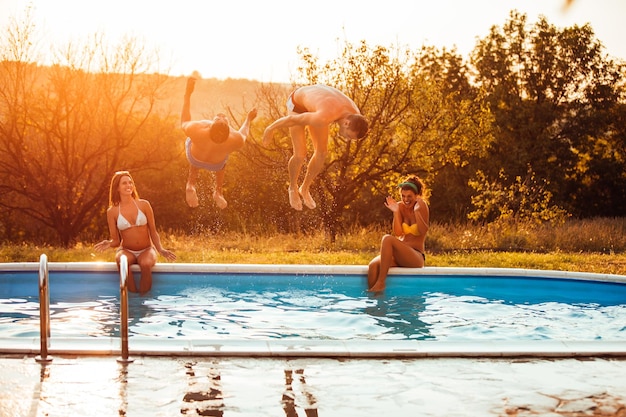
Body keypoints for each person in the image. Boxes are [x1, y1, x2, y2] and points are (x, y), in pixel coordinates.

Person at [262, 84, 369, 211]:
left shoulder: (356, 116)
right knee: (300, 153)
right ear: (346, 123)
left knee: (322, 153)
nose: (347, 139)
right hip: (298, 104)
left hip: (320, 106)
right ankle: (292, 187)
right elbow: (292, 119)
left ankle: (304, 188)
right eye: (348, 136)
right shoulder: (324, 116)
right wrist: (270, 129)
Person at [181, 77, 257, 209]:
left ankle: (190, 185)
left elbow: (184, 120)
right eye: (221, 118)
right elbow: (244, 133)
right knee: (222, 164)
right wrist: (249, 119)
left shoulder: (197, 130)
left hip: (194, 157)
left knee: (195, 156)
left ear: (211, 125)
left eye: (221, 118)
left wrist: (187, 94)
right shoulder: (234, 139)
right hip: (216, 164)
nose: (221, 116)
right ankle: (218, 192)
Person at [95, 170, 176, 294]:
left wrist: (160, 249)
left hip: (146, 249)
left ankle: (143, 300)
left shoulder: (144, 205)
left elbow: (153, 231)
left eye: (130, 182)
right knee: (122, 261)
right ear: (117, 188)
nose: (128, 185)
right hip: (126, 250)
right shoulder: (112, 211)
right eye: (124, 183)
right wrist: (109, 243)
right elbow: (116, 241)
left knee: (145, 264)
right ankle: (132, 299)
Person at [367, 175, 429, 292]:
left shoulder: (422, 206)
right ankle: (375, 301)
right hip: (400, 255)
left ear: (417, 196)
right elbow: (398, 233)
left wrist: (416, 212)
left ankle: (381, 283)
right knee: (373, 266)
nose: (406, 199)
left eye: (409, 196)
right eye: (403, 196)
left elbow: (423, 231)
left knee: (387, 239)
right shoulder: (400, 206)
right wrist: (395, 212)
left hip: (415, 257)